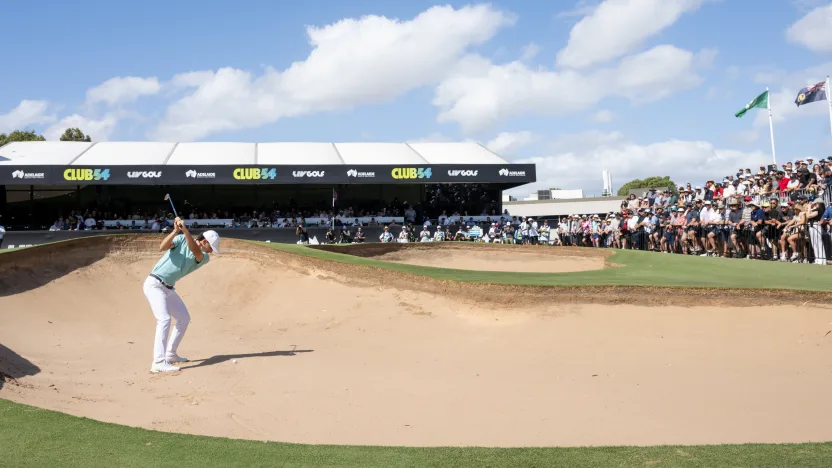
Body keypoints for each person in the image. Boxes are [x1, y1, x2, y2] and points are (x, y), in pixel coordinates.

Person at [143, 217, 221, 373]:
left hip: (168, 289)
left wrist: (185, 230)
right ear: (205, 241)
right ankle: (158, 362)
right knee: (164, 319)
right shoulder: (179, 238)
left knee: (184, 319)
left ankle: (170, 354)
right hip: (154, 284)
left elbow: (194, 250)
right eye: (211, 247)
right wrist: (175, 231)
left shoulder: (204, 257)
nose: (211, 251)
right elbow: (162, 247)